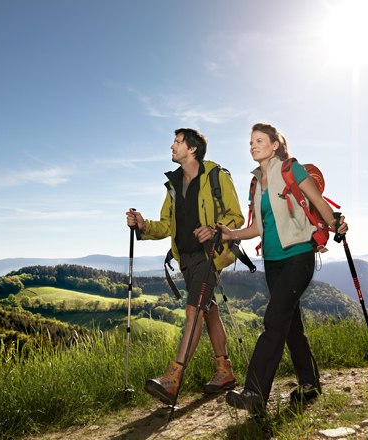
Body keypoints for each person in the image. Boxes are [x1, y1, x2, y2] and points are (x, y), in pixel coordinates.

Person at [218, 123, 348, 413]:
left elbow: (319, 204)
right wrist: (230, 235)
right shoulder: (256, 182)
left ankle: (254, 392)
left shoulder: (291, 169)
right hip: (273, 263)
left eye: (259, 140)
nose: (252, 145)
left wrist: (336, 223)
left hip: (298, 256)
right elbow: (256, 227)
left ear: (275, 145)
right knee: (290, 326)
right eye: (250, 141)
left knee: (275, 318)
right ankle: (310, 383)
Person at [126, 128, 244, 405]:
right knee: (208, 310)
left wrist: (214, 229)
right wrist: (142, 225)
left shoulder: (217, 176)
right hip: (186, 259)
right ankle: (224, 371)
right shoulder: (173, 185)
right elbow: (167, 225)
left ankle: (172, 378)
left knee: (193, 311)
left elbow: (236, 216)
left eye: (177, 142)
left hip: (209, 255)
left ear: (192, 149)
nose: (172, 146)